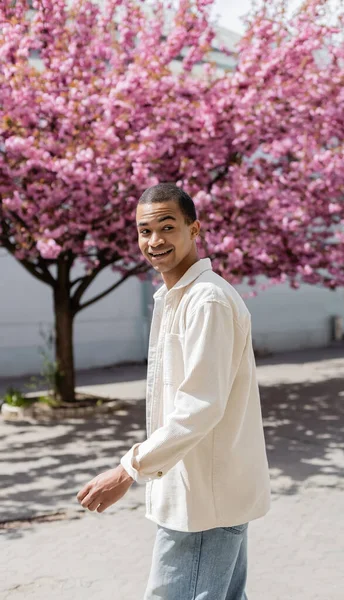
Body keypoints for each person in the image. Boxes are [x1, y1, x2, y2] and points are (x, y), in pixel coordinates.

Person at [77, 183, 270, 599]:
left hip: (203, 503)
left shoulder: (206, 302)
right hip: (205, 497)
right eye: (145, 231)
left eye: (168, 227)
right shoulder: (180, 298)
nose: (155, 241)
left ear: (194, 229)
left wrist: (128, 469)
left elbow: (199, 407)